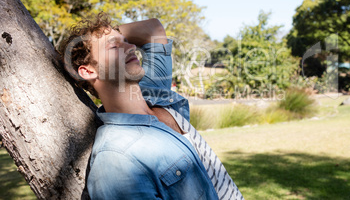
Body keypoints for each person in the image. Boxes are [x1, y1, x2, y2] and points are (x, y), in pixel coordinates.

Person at [60, 12, 243, 200]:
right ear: (88, 71)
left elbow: (152, 29)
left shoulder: (153, 92)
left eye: (126, 41)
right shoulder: (116, 159)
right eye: (115, 46)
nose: (131, 47)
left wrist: (105, 34)